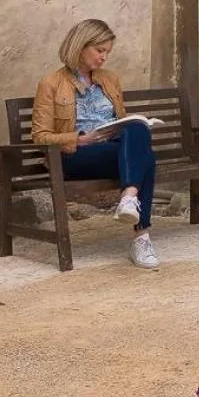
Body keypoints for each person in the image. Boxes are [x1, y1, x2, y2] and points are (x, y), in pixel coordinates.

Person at [31, 19, 160, 270]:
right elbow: (40, 136)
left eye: (107, 52)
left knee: (137, 127)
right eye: (99, 50)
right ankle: (141, 235)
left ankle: (129, 199)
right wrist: (79, 138)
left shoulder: (109, 79)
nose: (104, 57)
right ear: (81, 47)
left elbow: (122, 122)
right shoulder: (51, 83)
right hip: (75, 155)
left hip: (111, 150)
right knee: (147, 159)